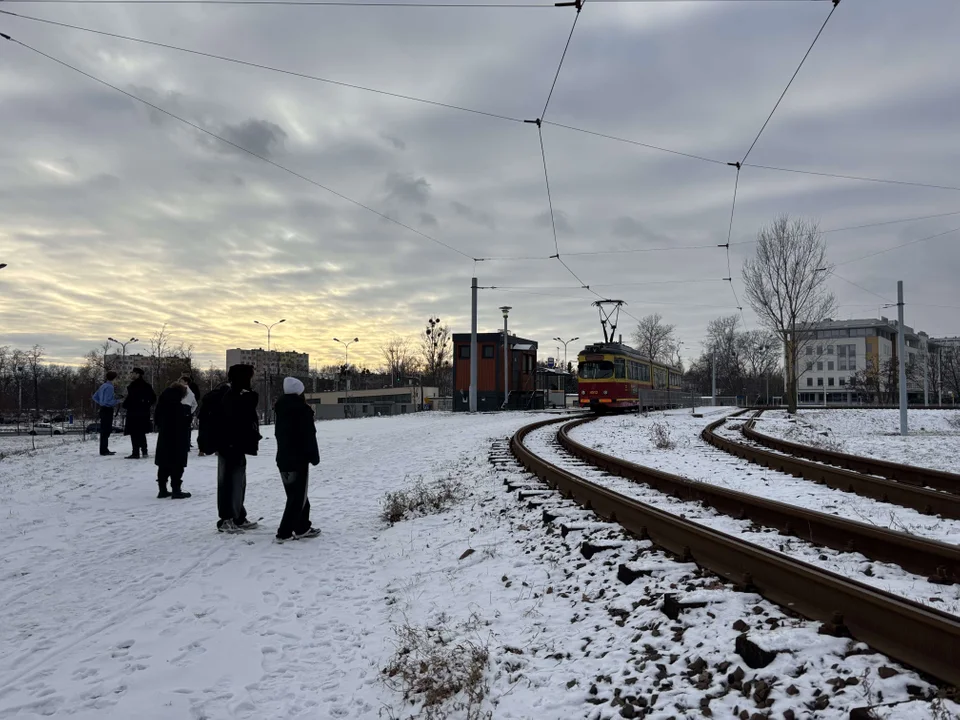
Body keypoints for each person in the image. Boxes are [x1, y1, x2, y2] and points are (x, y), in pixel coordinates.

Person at [273, 377, 321, 543]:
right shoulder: (303, 411)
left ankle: (302, 526)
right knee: (297, 498)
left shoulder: (280, 408)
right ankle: (284, 532)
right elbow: (309, 436)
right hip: (298, 459)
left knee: (296, 495)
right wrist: (314, 457)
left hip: (283, 458)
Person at [216, 364, 261, 533]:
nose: (252, 380)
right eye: (250, 376)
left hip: (236, 445)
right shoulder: (232, 396)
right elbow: (240, 416)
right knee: (229, 482)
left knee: (239, 483)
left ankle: (238, 516)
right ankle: (226, 519)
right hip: (230, 445)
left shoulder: (238, 395)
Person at [154, 380, 193, 499]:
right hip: (178, 438)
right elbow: (184, 422)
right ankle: (176, 489)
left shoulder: (162, 403)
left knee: (163, 463)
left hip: (164, 437)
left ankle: (162, 489)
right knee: (177, 463)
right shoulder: (179, 407)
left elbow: (157, 420)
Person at [122, 368, 156, 459]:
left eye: (132, 373)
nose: (131, 375)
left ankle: (136, 452)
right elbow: (153, 398)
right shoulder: (147, 386)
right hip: (143, 413)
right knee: (141, 432)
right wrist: (146, 404)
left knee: (134, 433)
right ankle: (144, 451)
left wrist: (125, 404)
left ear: (137, 374)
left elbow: (131, 399)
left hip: (134, 412)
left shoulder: (134, 386)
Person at [92, 371, 122, 456]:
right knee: (106, 430)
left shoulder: (103, 386)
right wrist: (118, 401)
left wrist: (101, 402)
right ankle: (104, 450)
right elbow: (109, 401)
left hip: (102, 409)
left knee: (104, 429)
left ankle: (104, 449)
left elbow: (95, 397)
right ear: (114, 378)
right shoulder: (110, 387)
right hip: (107, 409)